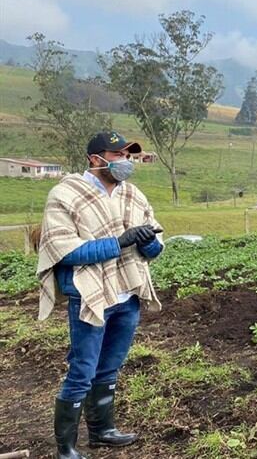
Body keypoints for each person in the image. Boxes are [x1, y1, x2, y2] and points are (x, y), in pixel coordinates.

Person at [36, 131, 165, 459]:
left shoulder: (132, 194)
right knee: (83, 369)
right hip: (90, 295)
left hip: (127, 293)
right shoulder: (66, 195)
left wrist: (150, 243)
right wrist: (120, 242)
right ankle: (66, 447)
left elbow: (153, 243)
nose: (126, 161)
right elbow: (64, 251)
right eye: (119, 154)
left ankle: (102, 431)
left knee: (109, 367)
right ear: (96, 158)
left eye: (128, 155)